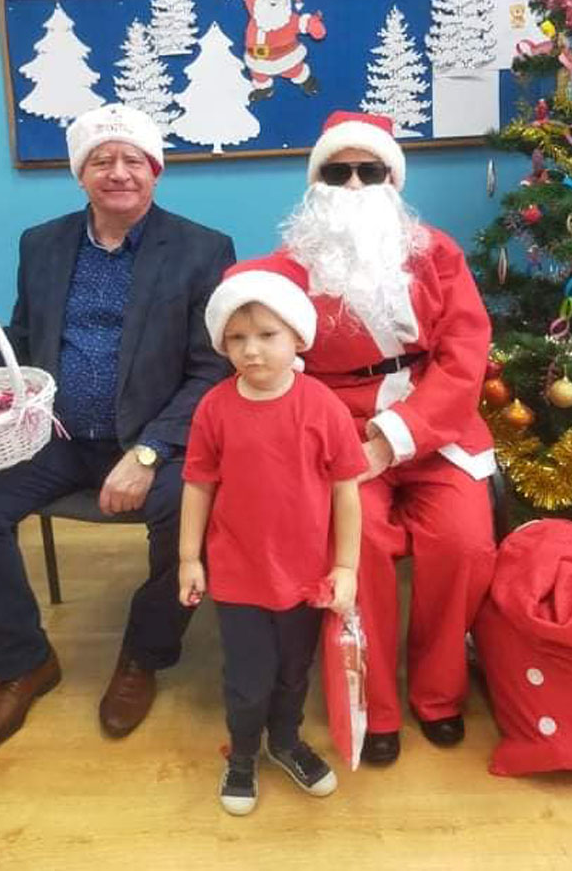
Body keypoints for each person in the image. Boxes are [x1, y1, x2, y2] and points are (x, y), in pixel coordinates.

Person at [0, 103, 235, 752]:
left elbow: (210, 369)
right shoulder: (43, 244)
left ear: (155, 170)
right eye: (101, 160)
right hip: (52, 435)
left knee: (193, 511)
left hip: (155, 441)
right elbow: (25, 338)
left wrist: (149, 451)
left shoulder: (203, 248)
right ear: (81, 174)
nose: (119, 172)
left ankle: (144, 655)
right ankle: (22, 661)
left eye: (133, 159)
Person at [257, 110, 497, 766]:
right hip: (336, 427)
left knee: (465, 543)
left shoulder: (437, 253)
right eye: (339, 173)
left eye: (371, 170)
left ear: (393, 180)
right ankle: (375, 706)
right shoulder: (287, 268)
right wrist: (335, 443)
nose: (356, 185)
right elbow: (249, 326)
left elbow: (465, 354)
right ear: (316, 184)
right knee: (357, 551)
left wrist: (395, 437)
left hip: (435, 424)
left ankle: (439, 693)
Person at [179, 260, 366, 815]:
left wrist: (346, 567)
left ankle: (285, 742)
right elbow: (197, 485)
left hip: (305, 576)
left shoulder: (323, 407)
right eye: (237, 338)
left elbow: (346, 491)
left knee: (292, 673)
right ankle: (242, 754)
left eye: (267, 335)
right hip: (239, 574)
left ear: (298, 337)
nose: (252, 350)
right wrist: (189, 558)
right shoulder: (214, 408)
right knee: (247, 678)